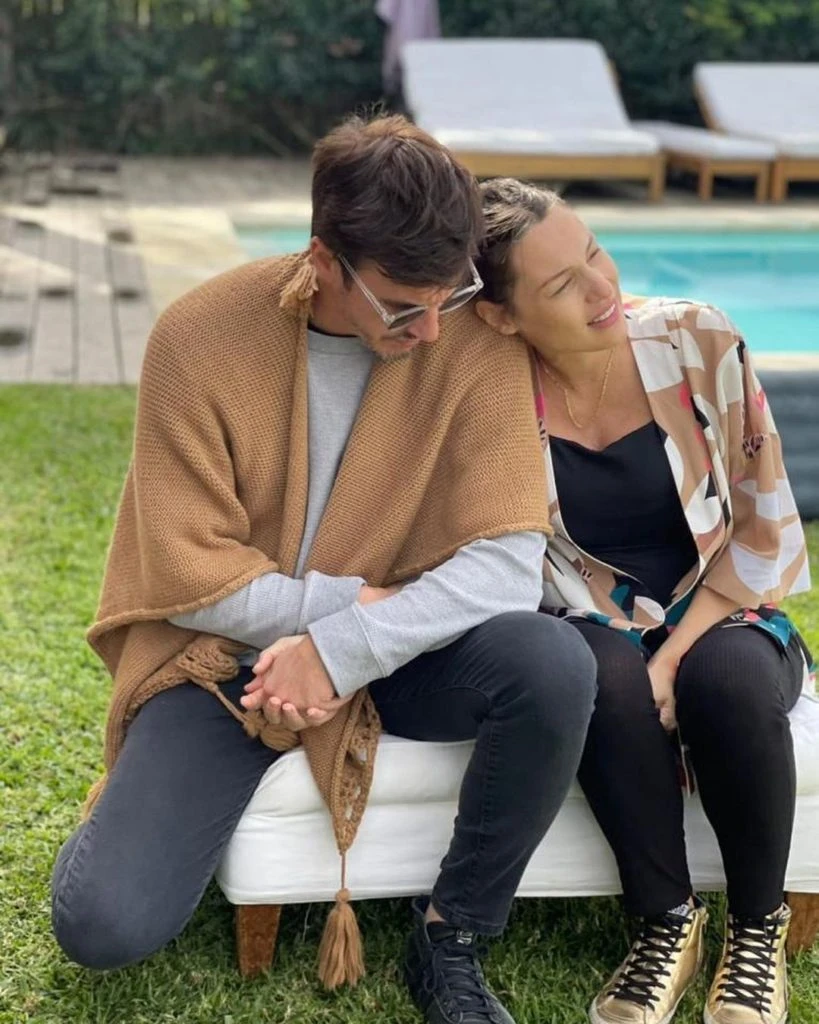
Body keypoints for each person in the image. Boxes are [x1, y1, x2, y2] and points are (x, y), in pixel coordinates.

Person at [50, 119, 597, 1024]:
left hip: (410, 650)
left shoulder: (470, 332)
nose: (432, 329)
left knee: (551, 661)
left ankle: (452, 935)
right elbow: (192, 572)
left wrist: (341, 648)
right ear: (322, 260)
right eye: (402, 308)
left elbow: (507, 566)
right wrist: (343, 609)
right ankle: (120, 806)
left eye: (450, 295)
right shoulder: (198, 338)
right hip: (227, 662)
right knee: (104, 928)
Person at [474, 178, 813, 1024]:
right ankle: (666, 922)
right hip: (586, 622)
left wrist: (669, 658)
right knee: (594, 674)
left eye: (594, 252)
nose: (601, 287)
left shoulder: (697, 338)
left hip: (724, 606)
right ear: (502, 316)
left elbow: (763, 524)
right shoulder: (487, 395)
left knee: (724, 682)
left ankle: (756, 930)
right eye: (562, 283)